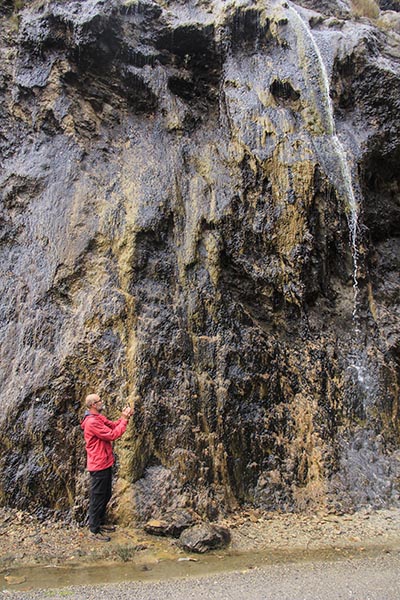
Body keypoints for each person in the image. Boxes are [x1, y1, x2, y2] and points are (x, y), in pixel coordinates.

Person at [81, 393, 133, 542]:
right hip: (98, 464)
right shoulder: (92, 422)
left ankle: (99, 523)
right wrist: (124, 420)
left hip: (104, 462)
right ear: (92, 405)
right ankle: (93, 530)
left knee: (106, 494)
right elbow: (112, 435)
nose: (102, 402)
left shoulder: (98, 418)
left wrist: (125, 417)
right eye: (99, 401)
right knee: (97, 497)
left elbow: (113, 425)